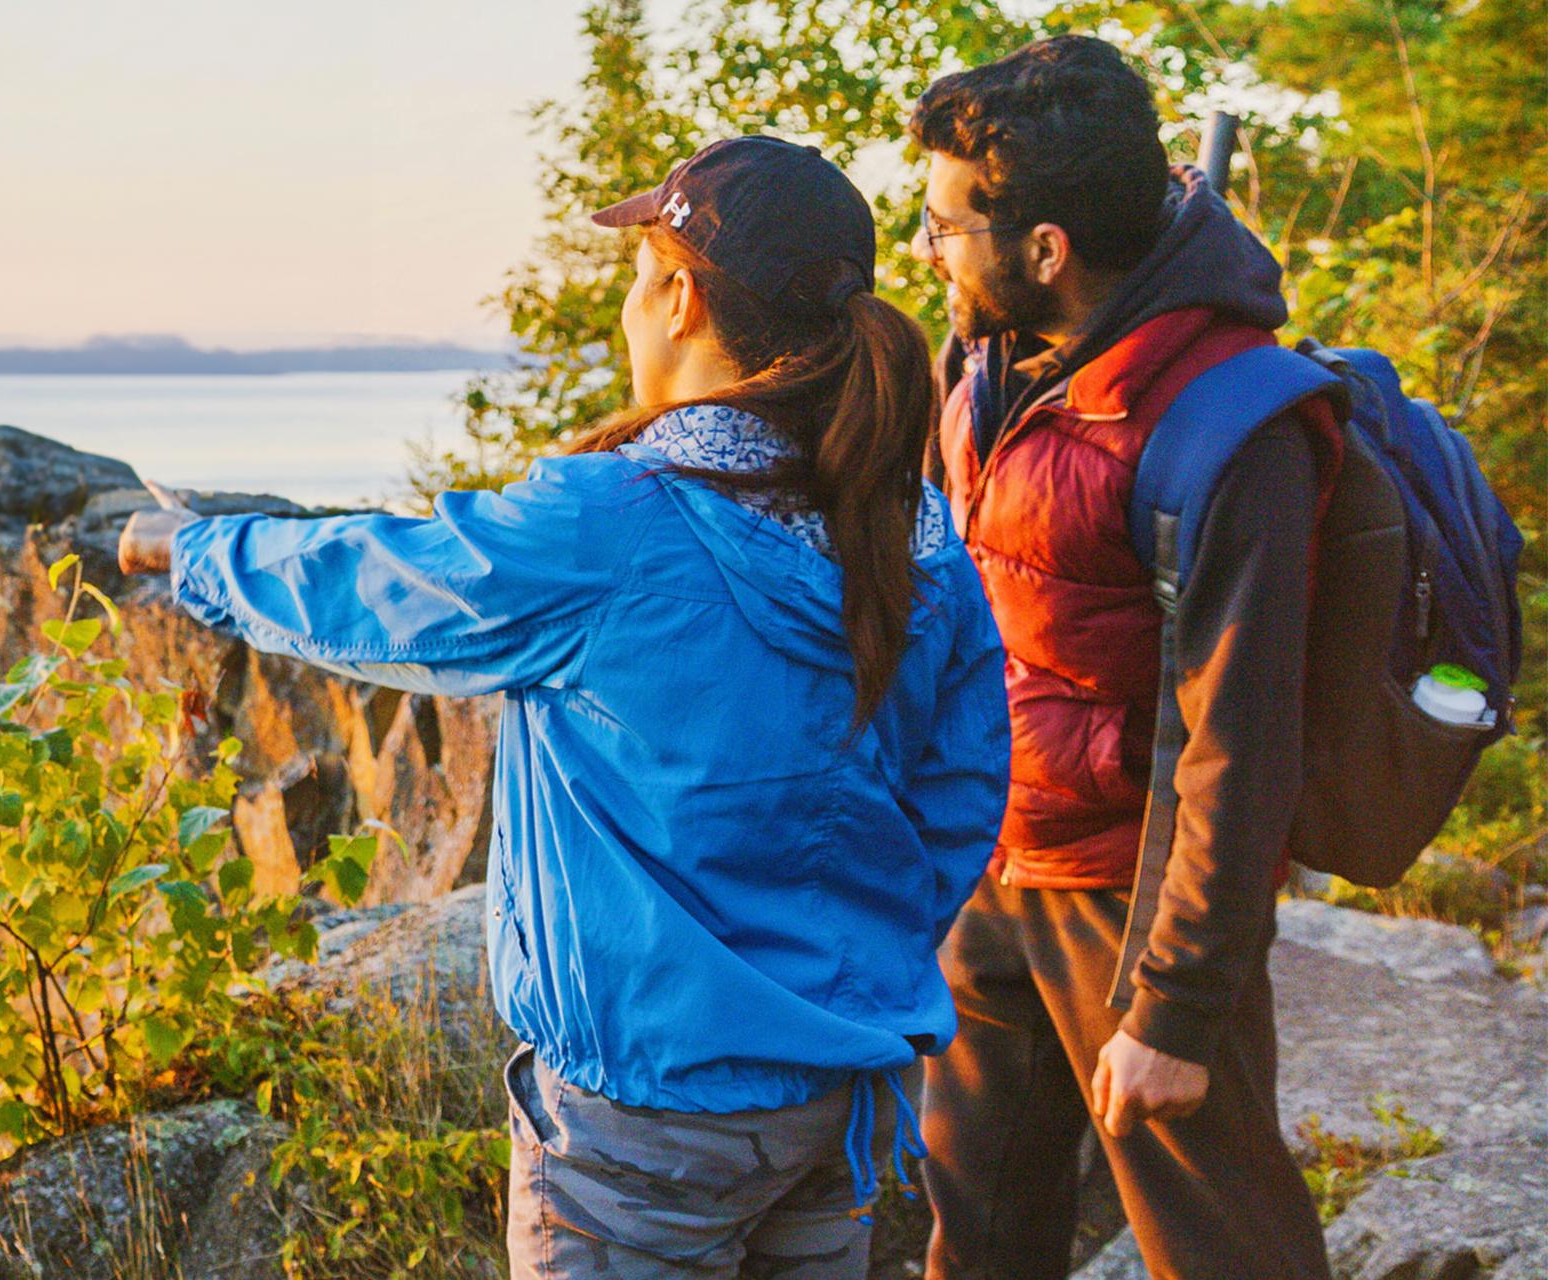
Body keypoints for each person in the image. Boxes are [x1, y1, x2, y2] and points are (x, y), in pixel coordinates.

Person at [120, 135, 1009, 1278]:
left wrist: (196, 550)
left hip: (643, 1118)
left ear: (680, 297)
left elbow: (380, 581)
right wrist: (858, 951)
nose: (632, 312)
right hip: (841, 1095)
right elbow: (963, 785)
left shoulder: (617, 521)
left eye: (637, 280)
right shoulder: (915, 527)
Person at [906, 35, 1338, 1280]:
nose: (927, 248)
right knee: (977, 1242)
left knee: (1223, 1249)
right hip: (993, 868)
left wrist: (1179, 1008)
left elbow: (1242, 741)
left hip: (1130, 896)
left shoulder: (1235, 421)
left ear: (1045, 247)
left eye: (944, 226)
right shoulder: (985, 362)